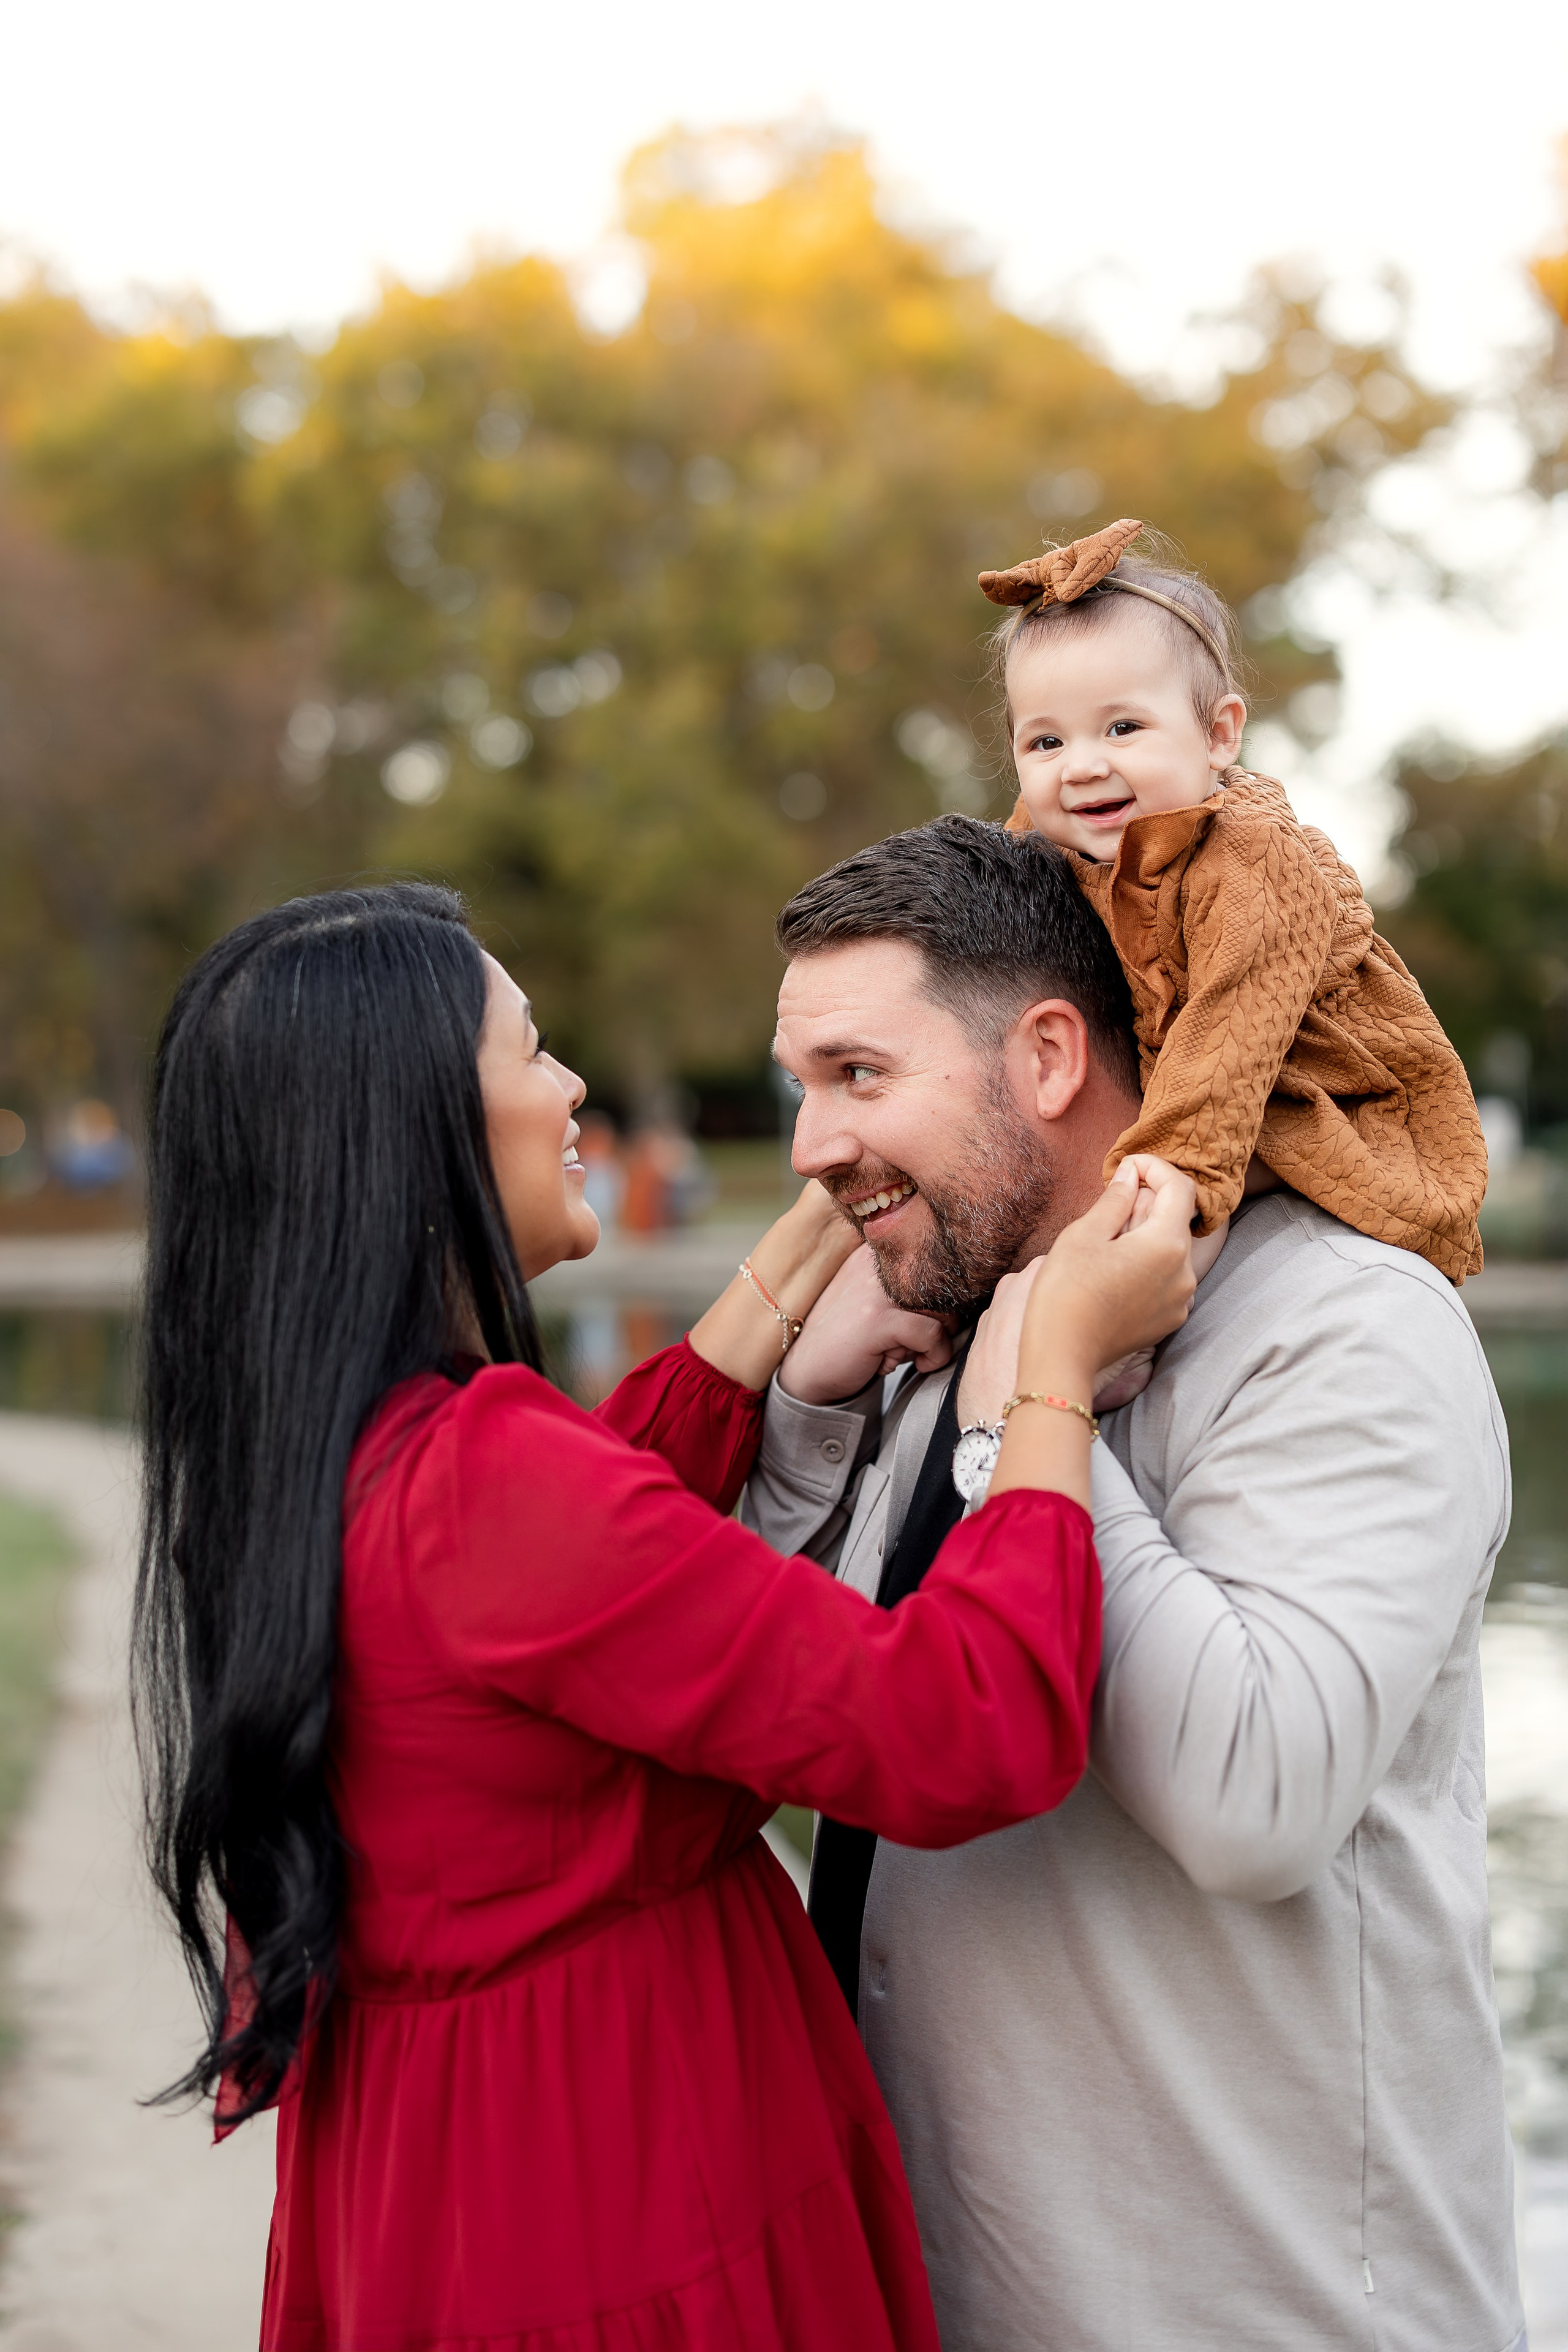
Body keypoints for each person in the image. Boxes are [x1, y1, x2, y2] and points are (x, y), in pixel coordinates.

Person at [130, 880, 1197, 2352]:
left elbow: (582, 1577)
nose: (572, 1087)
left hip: (440, 2176)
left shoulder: (317, 1454)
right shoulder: (485, 1480)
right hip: (618, 2184)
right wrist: (1047, 1375)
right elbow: (963, 1725)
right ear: (413, 1131)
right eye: (530, 1049)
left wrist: (811, 1256)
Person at [744, 816, 1523, 2352]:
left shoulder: (1344, 1327)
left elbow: (1252, 1801)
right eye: (801, 1086)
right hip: (946, 2290)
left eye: (857, 1075)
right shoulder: (932, 1306)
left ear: (1046, 1056)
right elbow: (749, 1724)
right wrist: (805, 1417)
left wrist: (1036, 1411)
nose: (810, 1147)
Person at [981, 515, 1487, 1294]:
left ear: (1218, 736)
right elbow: (989, 912)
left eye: (1122, 727)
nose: (1079, 767)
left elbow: (1228, 1038)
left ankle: (1131, 1315)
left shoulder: (1253, 858)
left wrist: (1167, 1180)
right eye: (1046, 743)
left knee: (1157, 1205)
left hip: (1303, 1091)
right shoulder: (1059, 836)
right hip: (1172, 1080)